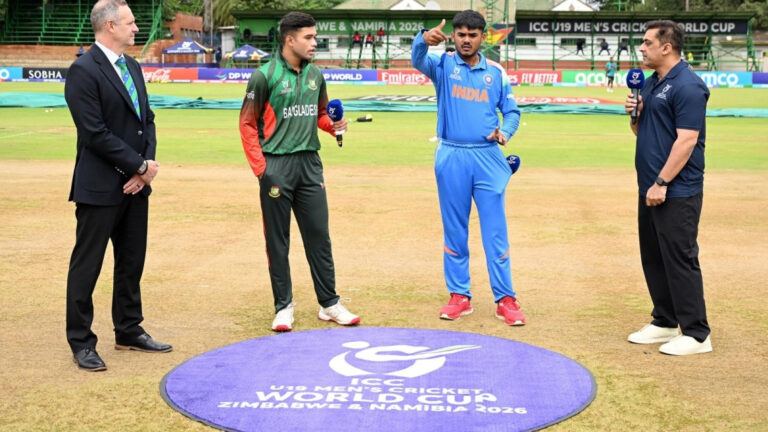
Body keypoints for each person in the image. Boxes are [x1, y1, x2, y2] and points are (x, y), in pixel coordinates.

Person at [64, 0, 172, 372]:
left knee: (131, 262)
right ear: (110, 26)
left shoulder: (134, 67)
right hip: (98, 187)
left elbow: (148, 121)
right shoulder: (83, 70)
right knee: (87, 266)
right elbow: (94, 133)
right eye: (129, 23)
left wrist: (144, 172)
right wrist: (138, 164)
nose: (136, 28)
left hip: (136, 185)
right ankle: (81, 341)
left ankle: (128, 328)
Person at [239, 12, 360, 332]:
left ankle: (329, 303)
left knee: (319, 237)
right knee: (278, 242)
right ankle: (283, 307)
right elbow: (247, 124)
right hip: (276, 166)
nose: (314, 43)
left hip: (310, 166)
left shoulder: (316, 76)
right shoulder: (264, 76)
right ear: (289, 39)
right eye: (309, 37)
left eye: (315, 37)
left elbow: (319, 115)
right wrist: (261, 170)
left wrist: (333, 127)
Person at [412, 10, 525, 326]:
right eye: (460, 34)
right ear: (455, 36)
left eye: (471, 35)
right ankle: (459, 296)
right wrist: (423, 39)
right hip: (452, 156)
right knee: (455, 230)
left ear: (482, 36)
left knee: (495, 232)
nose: (465, 40)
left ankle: (506, 299)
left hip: (487, 157)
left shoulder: (496, 72)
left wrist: (506, 132)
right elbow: (417, 59)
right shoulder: (444, 65)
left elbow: (512, 112)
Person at [624, 20, 712, 356]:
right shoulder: (650, 83)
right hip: (649, 187)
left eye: (647, 43)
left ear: (667, 46)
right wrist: (635, 116)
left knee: (679, 257)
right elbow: (640, 132)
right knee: (654, 256)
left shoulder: (688, 85)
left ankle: (697, 333)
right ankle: (664, 320)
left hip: (676, 189)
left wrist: (662, 182)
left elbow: (688, 139)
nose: (641, 48)